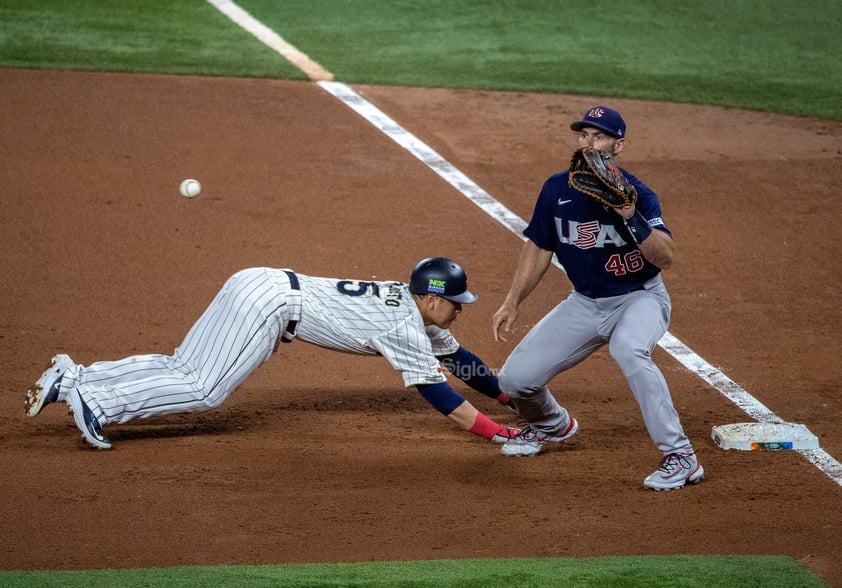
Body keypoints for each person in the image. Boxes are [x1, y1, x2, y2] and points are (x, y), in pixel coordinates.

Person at [25, 257, 522, 450]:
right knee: (203, 387)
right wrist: (499, 432)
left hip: (257, 280)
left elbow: (460, 362)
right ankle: (101, 405)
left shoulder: (410, 305)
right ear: (433, 299)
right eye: (457, 304)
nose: (461, 311)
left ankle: (75, 380)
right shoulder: (404, 325)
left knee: (184, 364)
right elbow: (439, 394)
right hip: (271, 306)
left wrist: (509, 397)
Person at [491, 106, 704, 491]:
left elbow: (666, 257)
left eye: (600, 137)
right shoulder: (557, 190)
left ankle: (681, 456)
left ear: (618, 146)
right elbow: (539, 247)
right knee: (514, 380)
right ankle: (551, 425)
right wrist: (512, 301)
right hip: (585, 303)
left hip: (639, 298)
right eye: (584, 136)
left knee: (629, 349)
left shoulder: (639, 195)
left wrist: (630, 214)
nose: (590, 145)